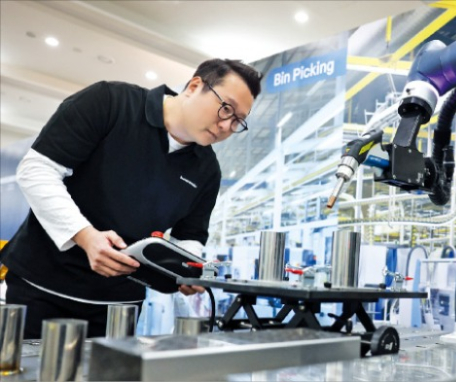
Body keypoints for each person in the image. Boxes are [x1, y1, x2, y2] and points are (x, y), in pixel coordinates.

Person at [0, 59, 262, 339]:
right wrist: (86, 236)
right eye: (226, 108)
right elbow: (38, 169)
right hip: (41, 288)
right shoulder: (110, 102)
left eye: (237, 121)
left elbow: (190, 235)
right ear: (195, 86)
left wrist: (189, 270)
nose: (225, 125)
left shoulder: (207, 169)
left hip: (119, 307)